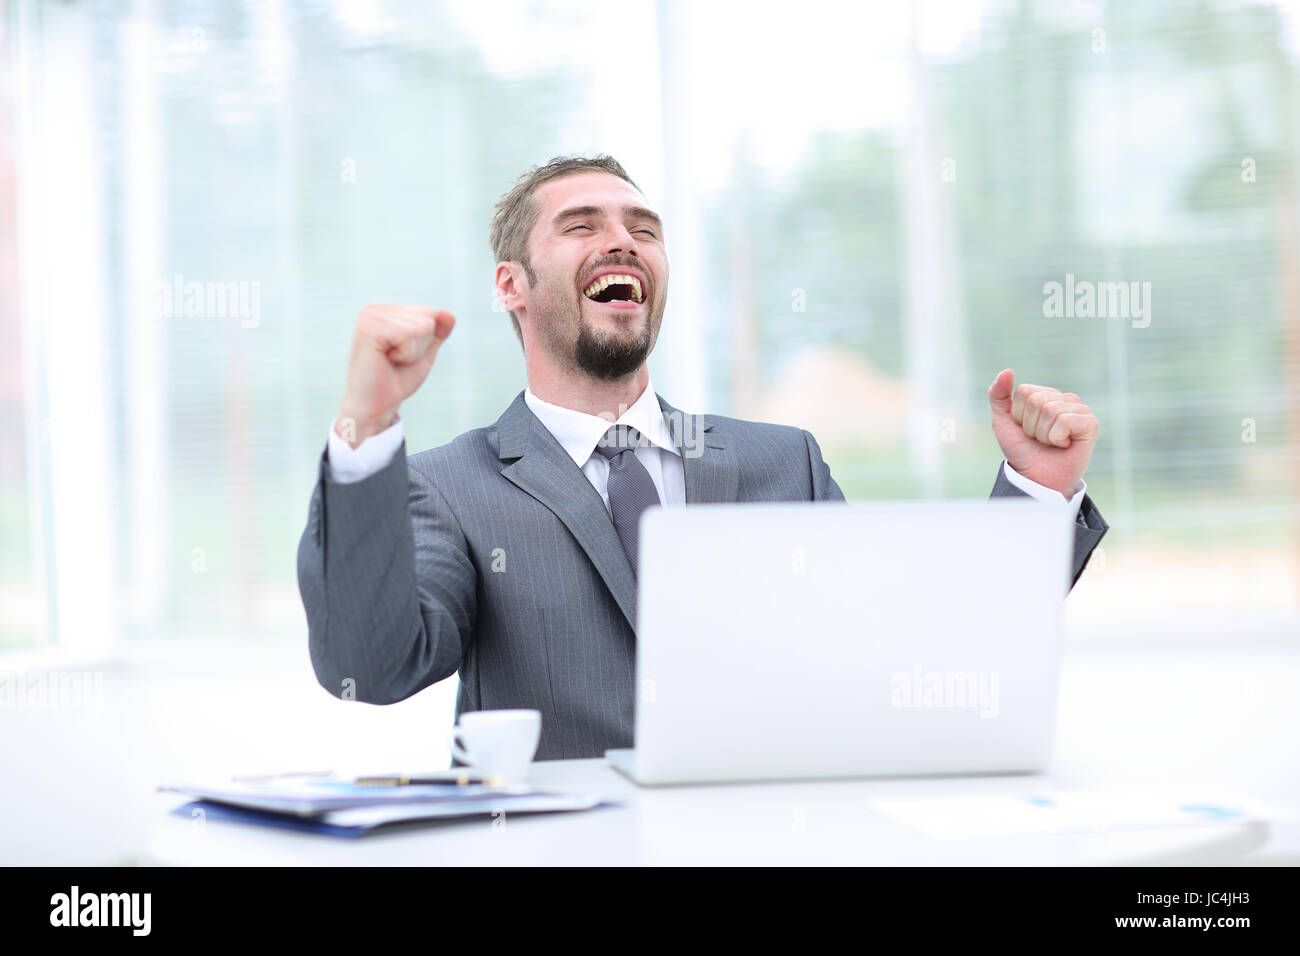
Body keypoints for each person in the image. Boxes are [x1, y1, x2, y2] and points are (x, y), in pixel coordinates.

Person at [296, 155, 1108, 761]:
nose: (622, 241)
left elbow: (916, 652)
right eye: (582, 225)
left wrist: (1036, 494)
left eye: (643, 230)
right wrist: (367, 426)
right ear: (512, 284)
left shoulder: (783, 464)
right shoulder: (451, 485)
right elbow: (368, 666)